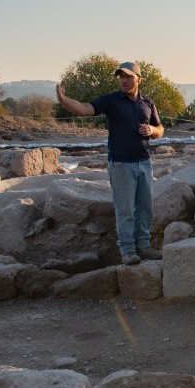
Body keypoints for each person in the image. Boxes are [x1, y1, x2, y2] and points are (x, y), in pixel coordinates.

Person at [55, 61, 164, 265]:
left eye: (128, 76)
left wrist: (152, 130)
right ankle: (128, 251)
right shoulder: (111, 100)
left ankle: (144, 246)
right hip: (121, 164)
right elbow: (84, 109)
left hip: (144, 162)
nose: (123, 80)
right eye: (121, 76)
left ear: (138, 79)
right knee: (125, 209)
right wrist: (63, 99)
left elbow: (160, 129)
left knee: (145, 208)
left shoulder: (147, 103)